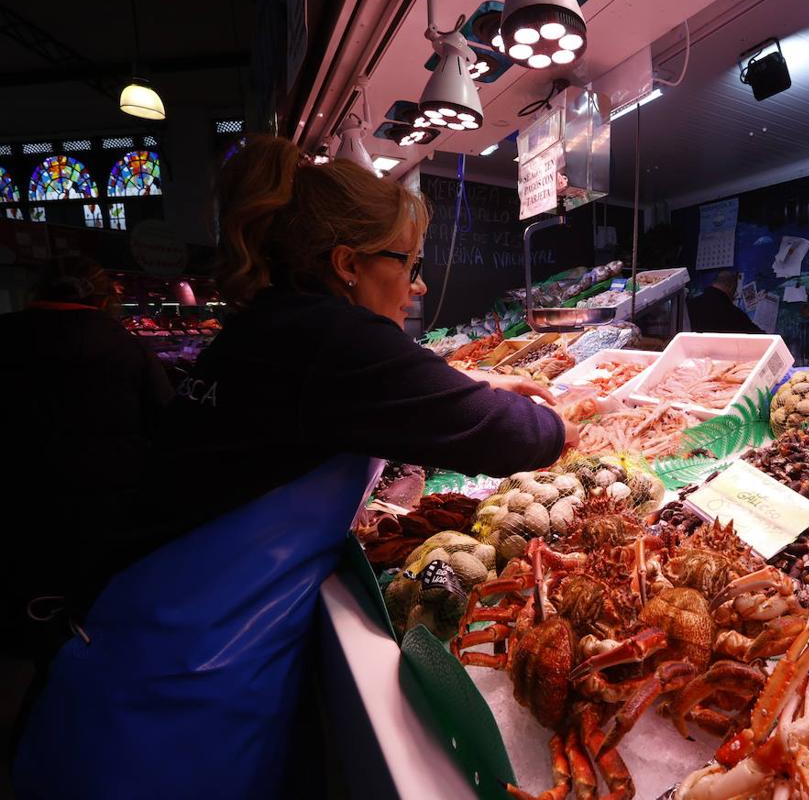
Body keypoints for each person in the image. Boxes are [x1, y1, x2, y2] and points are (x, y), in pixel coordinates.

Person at [12, 136, 576, 797]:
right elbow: (521, 438)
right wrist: (566, 418)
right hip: (186, 676)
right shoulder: (333, 339)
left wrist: (466, 387)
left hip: (145, 635)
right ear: (347, 264)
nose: (417, 285)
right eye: (408, 263)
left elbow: (343, 408)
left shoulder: (273, 329)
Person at [0, 255, 173, 665]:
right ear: (102, 296)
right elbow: (166, 423)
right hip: (104, 504)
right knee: (88, 613)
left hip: (14, 499)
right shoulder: (124, 346)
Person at [687, 269, 763, 333]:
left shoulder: (689, 306)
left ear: (714, 283)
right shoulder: (734, 314)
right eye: (735, 290)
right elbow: (760, 337)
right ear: (731, 287)